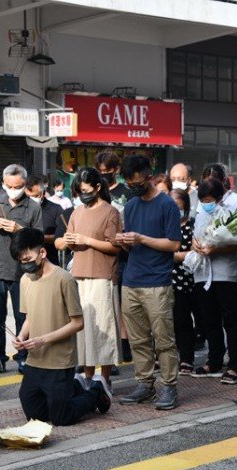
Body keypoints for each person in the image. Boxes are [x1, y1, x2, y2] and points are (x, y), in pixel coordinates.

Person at [10, 228, 112, 425]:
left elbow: (78, 323)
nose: (25, 264)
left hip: (60, 361)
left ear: (42, 253)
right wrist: (21, 337)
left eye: (28, 258)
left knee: (60, 418)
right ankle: (74, 386)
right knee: (35, 416)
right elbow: (30, 316)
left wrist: (43, 339)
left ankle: (96, 391)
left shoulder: (64, 279)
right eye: (21, 260)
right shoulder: (25, 280)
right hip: (35, 359)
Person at [115, 155, 181, 410]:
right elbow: (132, 246)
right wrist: (125, 241)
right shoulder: (130, 206)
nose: (134, 187)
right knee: (137, 339)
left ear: (150, 177)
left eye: (138, 183)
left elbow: (173, 244)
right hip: (131, 280)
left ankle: (169, 386)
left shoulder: (167, 205)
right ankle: (144, 383)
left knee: (163, 339)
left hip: (157, 282)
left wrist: (141, 238)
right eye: (130, 184)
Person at [55, 168, 122, 387]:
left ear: (98, 188)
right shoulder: (76, 212)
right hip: (78, 276)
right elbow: (67, 241)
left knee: (102, 329)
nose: (82, 195)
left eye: (85, 190)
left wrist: (87, 240)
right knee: (83, 331)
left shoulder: (111, 212)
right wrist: (69, 241)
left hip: (102, 276)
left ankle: (104, 379)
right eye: (79, 191)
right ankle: (87, 376)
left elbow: (115, 247)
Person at [0, 164, 43, 375]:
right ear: (3, 183)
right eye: (9, 185)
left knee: (23, 317)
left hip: (23, 271)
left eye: (17, 186)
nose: (13, 189)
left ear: (24, 185)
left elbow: (38, 238)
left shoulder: (33, 207)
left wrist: (20, 230)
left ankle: (24, 357)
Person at [190, 178, 237, 384]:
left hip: (225, 273)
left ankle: (234, 365)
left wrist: (217, 248)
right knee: (209, 318)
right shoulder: (201, 212)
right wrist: (197, 246)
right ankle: (214, 360)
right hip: (203, 272)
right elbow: (196, 235)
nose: (206, 203)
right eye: (203, 199)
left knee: (229, 319)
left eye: (209, 199)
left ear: (220, 197)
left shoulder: (234, 208)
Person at [95, 150, 134, 362]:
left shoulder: (126, 192)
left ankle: (125, 341)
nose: (104, 174)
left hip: (124, 254)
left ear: (115, 170)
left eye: (107, 171)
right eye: (100, 171)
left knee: (122, 301)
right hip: (100, 252)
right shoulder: (95, 191)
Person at [169, 188, 197, 375]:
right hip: (163, 279)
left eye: (178, 207)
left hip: (184, 279)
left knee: (183, 320)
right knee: (164, 322)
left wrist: (174, 256)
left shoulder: (191, 226)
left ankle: (187, 358)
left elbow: (195, 253)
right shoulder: (163, 225)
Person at [25, 175, 63, 266]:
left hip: (49, 262)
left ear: (42, 193)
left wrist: (41, 237)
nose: (30, 200)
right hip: (23, 264)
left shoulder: (56, 209)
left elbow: (62, 237)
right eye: (28, 196)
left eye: (35, 196)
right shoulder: (21, 208)